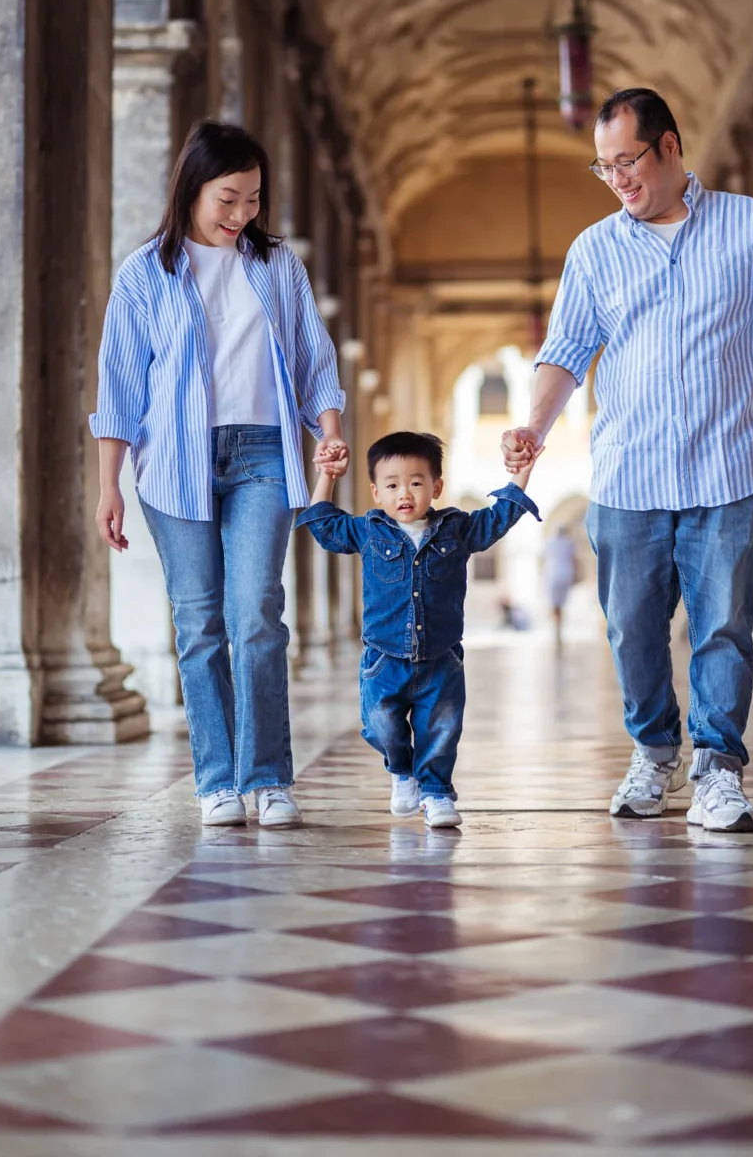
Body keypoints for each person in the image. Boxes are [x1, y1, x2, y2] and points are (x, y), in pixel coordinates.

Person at [502, 87, 753, 835]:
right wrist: (532, 426)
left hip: (731, 464)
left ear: (670, 147)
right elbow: (564, 354)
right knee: (630, 625)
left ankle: (718, 770)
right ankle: (654, 750)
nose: (619, 179)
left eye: (628, 160)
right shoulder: (594, 250)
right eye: (604, 167)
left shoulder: (750, 225)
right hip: (630, 472)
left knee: (723, 625)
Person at [91, 120, 348, 828]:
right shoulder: (145, 272)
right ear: (192, 190)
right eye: (228, 199)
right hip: (174, 461)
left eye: (253, 200)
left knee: (256, 612)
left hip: (263, 452)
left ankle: (267, 777)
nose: (241, 215)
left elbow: (312, 360)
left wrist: (326, 431)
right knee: (199, 620)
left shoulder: (277, 266)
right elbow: (119, 385)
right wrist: (108, 482)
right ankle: (216, 782)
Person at [296, 431, 538, 828]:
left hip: (440, 658)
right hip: (383, 659)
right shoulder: (370, 531)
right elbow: (323, 524)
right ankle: (401, 772)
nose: (403, 493)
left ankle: (437, 793)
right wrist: (326, 474)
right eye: (391, 485)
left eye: (415, 482)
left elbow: (499, 517)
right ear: (376, 493)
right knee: (379, 725)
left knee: (440, 730)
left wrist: (522, 473)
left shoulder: (455, 530)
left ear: (436, 487)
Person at [543, 525, 577, 644]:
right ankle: (558, 629)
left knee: (555, 604)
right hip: (565, 574)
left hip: (552, 574)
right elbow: (573, 560)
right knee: (560, 604)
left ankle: (557, 629)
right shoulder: (569, 543)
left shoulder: (549, 542)